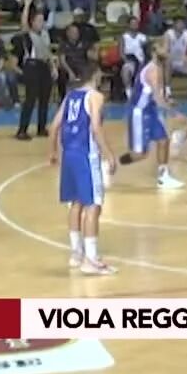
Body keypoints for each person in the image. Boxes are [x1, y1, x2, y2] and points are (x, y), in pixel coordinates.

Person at [50, 63, 120, 275]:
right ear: (96, 76)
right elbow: (96, 128)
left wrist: (52, 151)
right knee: (93, 205)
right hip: (86, 155)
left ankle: (76, 253)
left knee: (76, 203)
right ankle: (91, 259)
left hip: (69, 154)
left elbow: (53, 126)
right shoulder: (95, 96)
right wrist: (108, 154)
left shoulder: (70, 96)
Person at [116, 40, 187, 190]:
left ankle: (163, 176)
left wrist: (168, 100)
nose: (167, 48)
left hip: (150, 110)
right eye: (163, 46)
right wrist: (174, 113)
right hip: (139, 113)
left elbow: (155, 95)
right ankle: (113, 164)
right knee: (141, 154)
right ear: (154, 52)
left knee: (163, 140)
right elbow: (156, 97)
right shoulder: (152, 69)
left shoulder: (158, 67)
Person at [12, 2, 55, 140]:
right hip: (31, 66)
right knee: (31, 98)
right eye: (38, 20)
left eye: (43, 20)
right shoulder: (28, 34)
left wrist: (53, 67)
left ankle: (41, 128)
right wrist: (27, 5)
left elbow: (48, 53)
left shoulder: (45, 34)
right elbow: (24, 22)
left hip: (44, 66)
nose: (41, 23)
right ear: (32, 22)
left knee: (45, 98)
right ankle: (22, 130)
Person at [56, 23, 95, 103]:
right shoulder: (63, 44)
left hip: (82, 67)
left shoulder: (84, 43)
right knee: (61, 75)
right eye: (73, 32)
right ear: (68, 33)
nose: (75, 34)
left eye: (77, 32)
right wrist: (70, 72)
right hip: (68, 67)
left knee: (89, 72)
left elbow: (91, 56)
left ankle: (87, 99)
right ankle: (63, 99)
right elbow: (62, 61)